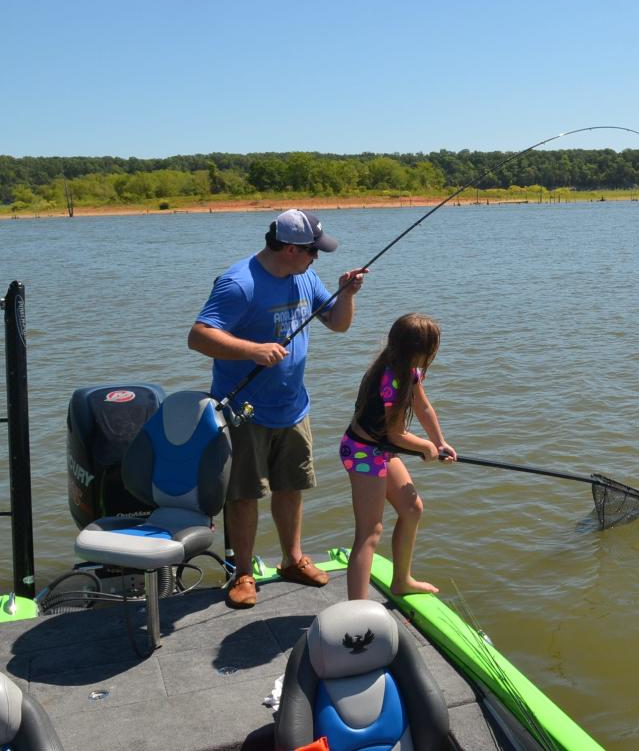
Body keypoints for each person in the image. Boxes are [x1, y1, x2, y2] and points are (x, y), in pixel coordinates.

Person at [189, 209, 367, 608]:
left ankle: (292, 560)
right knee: (245, 494)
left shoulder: (305, 276)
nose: (316, 258)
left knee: (291, 487)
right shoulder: (239, 283)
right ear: (289, 249)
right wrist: (252, 350)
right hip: (244, 410)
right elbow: (198, 336)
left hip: (293, 406)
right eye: (312, 252)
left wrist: (347, 295)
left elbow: (337, 324)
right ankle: (244, 573)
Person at [340, 313, 457, 600]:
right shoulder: (389, 379)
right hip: (362, 452)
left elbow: (424, 409)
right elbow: (396, 435)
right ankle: (357, 610)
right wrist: (425, 448)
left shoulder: (409, 371)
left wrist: (439, 442)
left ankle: (402, 581)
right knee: (370, 532)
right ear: (418, 350)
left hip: (381, 450)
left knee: (412, 508)